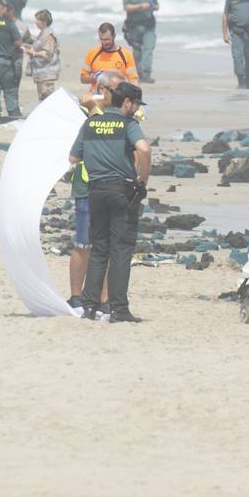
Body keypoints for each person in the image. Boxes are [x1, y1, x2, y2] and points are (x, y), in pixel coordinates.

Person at [67, 81, 151, 322]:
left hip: (95, 190)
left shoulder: (91, 123)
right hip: (121, 189)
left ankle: (90, 306)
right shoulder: (128, 124)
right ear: (126, 102)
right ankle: (119, 309)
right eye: (135, 105)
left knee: (99, 249)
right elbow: (143, 149)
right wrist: (142, 181)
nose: (136, 110)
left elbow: (73, 157)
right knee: (121, 250)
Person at [67, 70, 124, 309]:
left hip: (112, 185)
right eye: (117, 90)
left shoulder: (123, 112)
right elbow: (77, 148)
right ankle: (76, 295)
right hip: (86, 185)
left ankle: (104, 299)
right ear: (103, 90)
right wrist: (90, 106)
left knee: (108, 245)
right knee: (83, 244)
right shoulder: (82, 111)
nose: (122, 95)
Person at [122, 0, 159, 84]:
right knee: (137, 52)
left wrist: (150, 6)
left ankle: (146, 73)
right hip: (133, 27)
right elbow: (127, 7)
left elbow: (156, 6)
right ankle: (136, 74)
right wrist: (140, 6)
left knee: (148, 48)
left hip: (148, 26)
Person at [80, 23, 138, 87]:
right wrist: (96, 77)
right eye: (101, 39)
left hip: (118, 95)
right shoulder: (92, 53)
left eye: (106, 39)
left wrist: (136, 94)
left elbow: (133, 80)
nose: (104, 43)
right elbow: (83, 78)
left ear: (114, 36)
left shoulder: (127, 55)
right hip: (97, 95)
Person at [22, 9, 61, 102]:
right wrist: (29, 47)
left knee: (46, 99)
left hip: (47, 74)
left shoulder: (48, 36)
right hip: (42, 72)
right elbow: (39, 45)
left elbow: (48, 54)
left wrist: (33, 53)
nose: (35, 22)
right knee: (42, 98)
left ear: (44, 22)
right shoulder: (43, 33)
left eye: (37, 20)